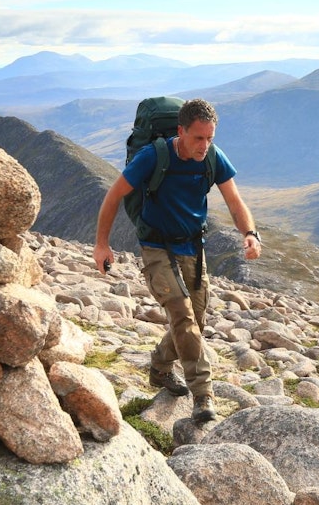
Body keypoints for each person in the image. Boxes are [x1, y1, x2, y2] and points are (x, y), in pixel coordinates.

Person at [93, 98, 262, 422]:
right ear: (181, 131)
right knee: (183, 318)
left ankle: (158, 366)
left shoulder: (212, 157)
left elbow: (234, 200)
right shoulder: (152, 156)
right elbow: (113, 195)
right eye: (199, 138)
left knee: (194, 323)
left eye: (210, 138)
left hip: (193, 249)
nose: (205, 145)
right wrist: (102, 244)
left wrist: (251, 233)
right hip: (156, 247)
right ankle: (203, 396)